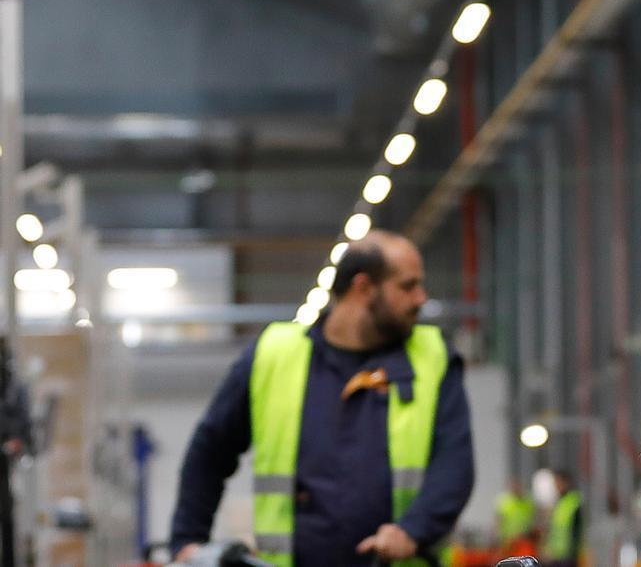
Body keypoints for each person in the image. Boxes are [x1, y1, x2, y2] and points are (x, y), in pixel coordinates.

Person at [170, 230, 474, 567]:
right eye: (407, 286)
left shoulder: (433, 358)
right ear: (363, 288)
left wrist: (413, 531)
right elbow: (211, 449)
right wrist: (188, 540)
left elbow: (454, 465)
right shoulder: (273, 355)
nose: (420, 298)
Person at [540, 470, 583, 567]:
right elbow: (552, 529)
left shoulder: (574, 501)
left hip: (568, 556)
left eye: (558, 482)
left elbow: (577, 530)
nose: (556, 486)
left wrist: (573, 553)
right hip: (555, 555)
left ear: (565, 482)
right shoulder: (558, 502)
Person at [495, 480, 537, 553]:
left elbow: (533, 519)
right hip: (508, 540)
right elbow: (498, 520)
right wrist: (500, 537)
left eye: (518, 487)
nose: (517, 489)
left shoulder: (528, 502)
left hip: (524, 539)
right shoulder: (505, 502)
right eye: (514, 487)